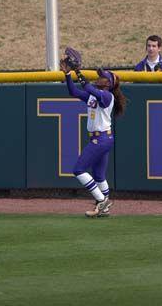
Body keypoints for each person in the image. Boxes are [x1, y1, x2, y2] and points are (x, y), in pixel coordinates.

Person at [60, 55, 127, 218]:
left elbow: (88, 88)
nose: (100, 77)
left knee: (78, 169)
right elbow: (73, 91)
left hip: (102, 139)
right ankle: (104, 208)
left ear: (109, 83)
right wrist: (68, 75)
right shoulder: (94, 95)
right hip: (101, 139)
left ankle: (101, 201)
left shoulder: (107, 96)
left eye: (103, 77)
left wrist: (77, 71)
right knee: (98, 176)